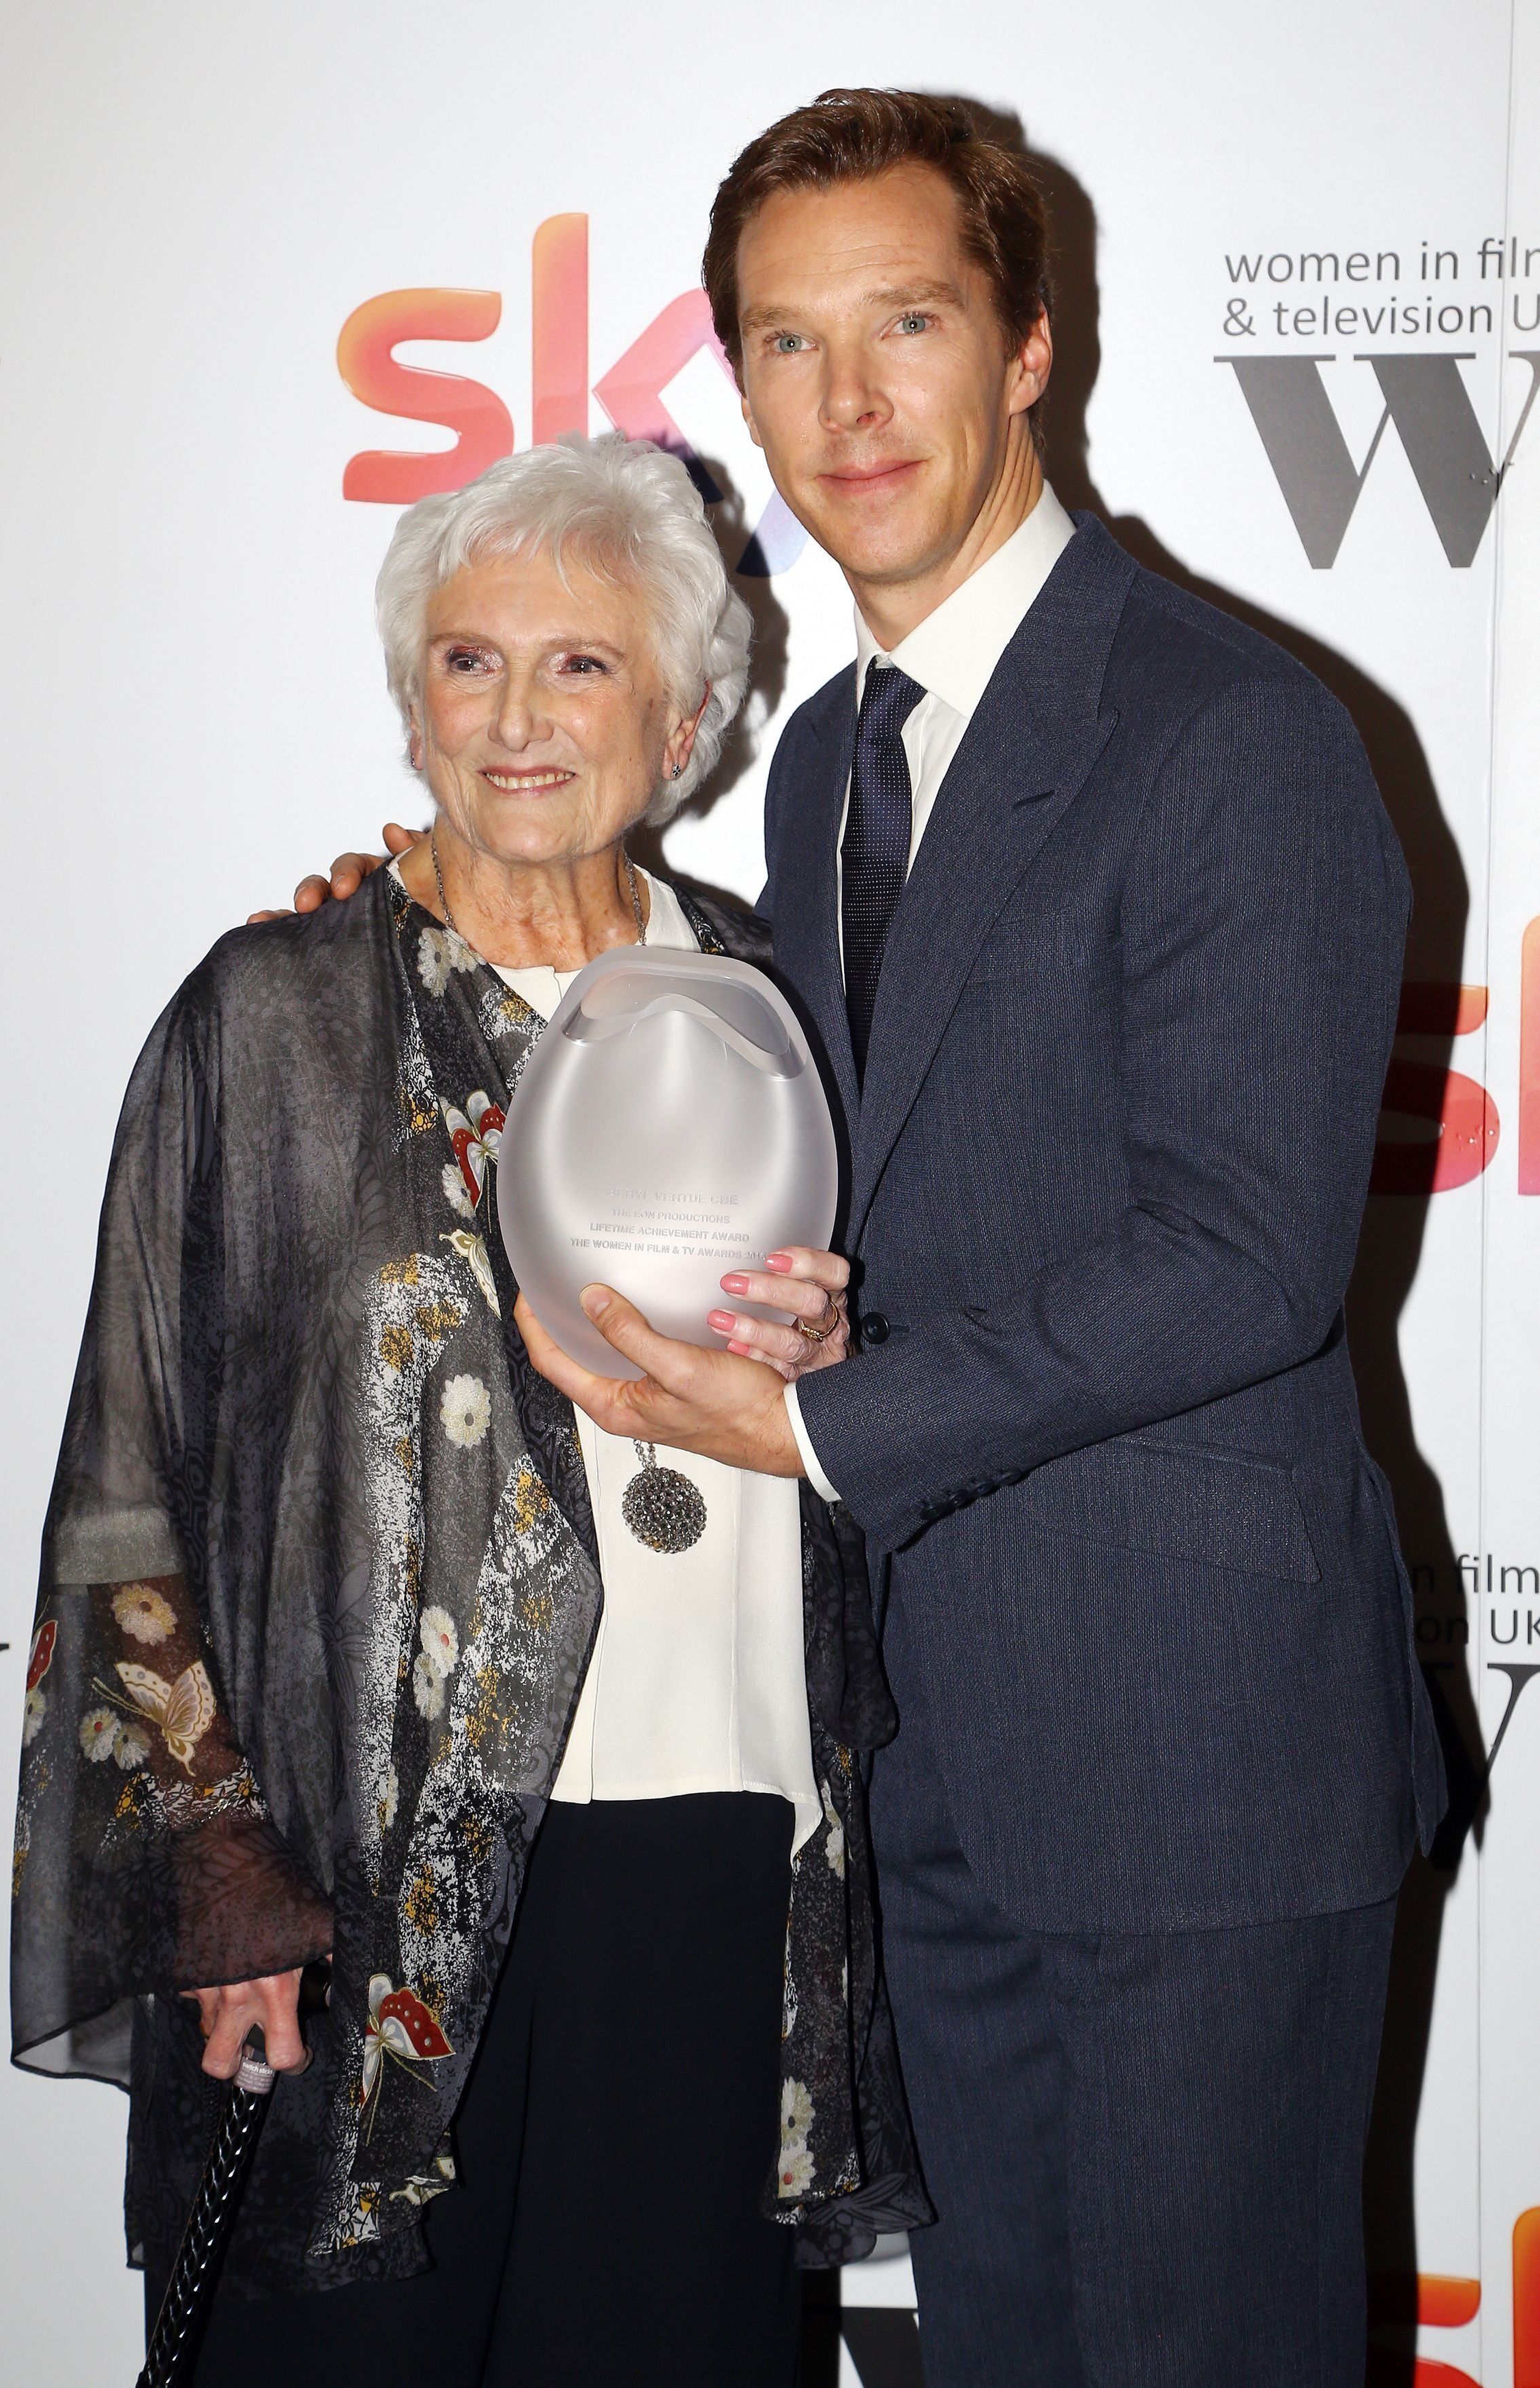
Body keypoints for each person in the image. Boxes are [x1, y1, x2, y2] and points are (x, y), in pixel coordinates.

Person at [295, 91, 1447, 2388]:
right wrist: (409, 918)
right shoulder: (825, 755)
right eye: (786, 346)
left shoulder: (1231, 731)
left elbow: (1236, 1249)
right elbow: (830, 1152)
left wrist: (824, 1415)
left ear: (1028, 341)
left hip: (1186, 1781)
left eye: (905, 322)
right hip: (921, 1776)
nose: (849, 406)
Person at [10, 431, 927, 2388]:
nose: (519, 718)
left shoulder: (773, 1003)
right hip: (359, 1885)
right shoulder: (271, 1016)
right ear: (411, 702)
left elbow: (884, 1419)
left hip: (711, 1847)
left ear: (685, 712)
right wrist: (210, 1861)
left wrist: (853, 1363)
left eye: (581, 666)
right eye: (467, 662)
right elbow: (126, 1475)